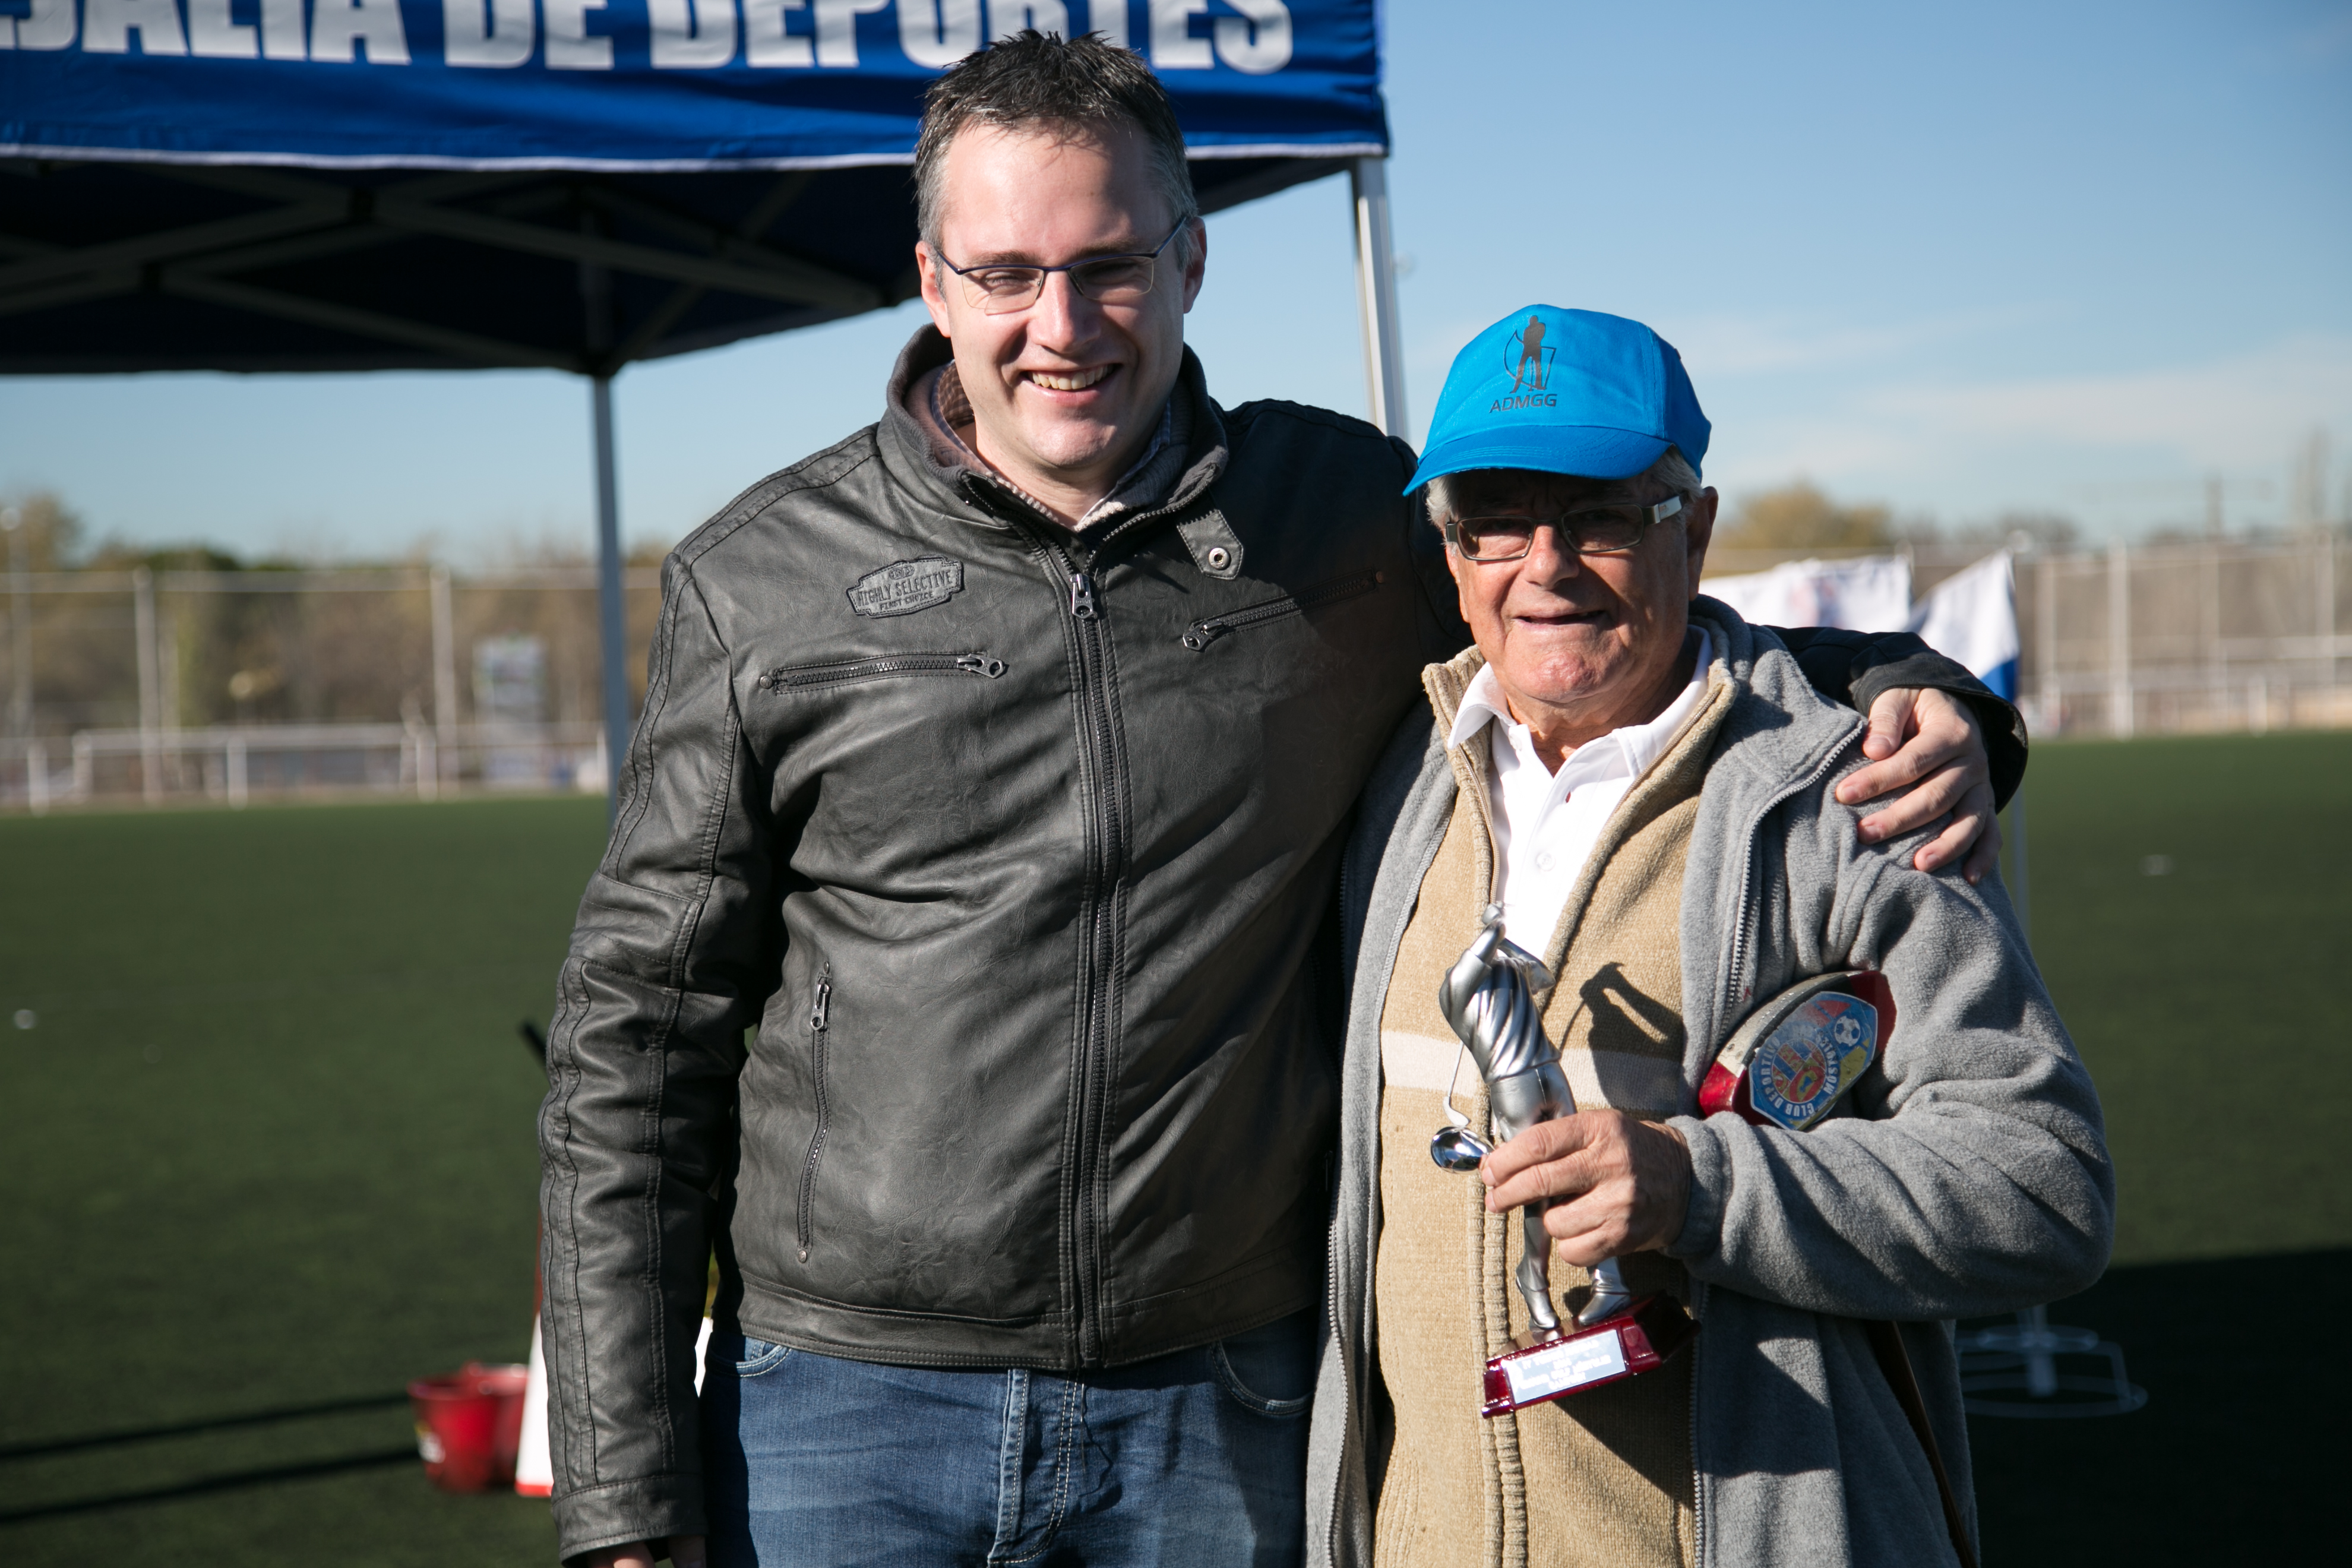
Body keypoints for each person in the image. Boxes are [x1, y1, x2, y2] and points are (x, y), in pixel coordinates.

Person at [539, 34, 2022, 1568]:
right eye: (1006, 275)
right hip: (844, 1409)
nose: (1061, 326)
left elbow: (1595, 603)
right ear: (932, 281)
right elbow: (632, 1047)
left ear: (1190, 260)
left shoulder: (1345, 519)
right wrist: (624, 1500)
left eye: (1110, 267)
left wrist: (1919, 687)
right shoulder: (764, 578)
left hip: (1223, 1405)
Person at [1304, 306, 2111, 1568]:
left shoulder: (1862, 795)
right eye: (1497, 521)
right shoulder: (1399, 773)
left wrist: (1701, 1188)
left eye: (1603, 516)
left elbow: (2040, 1186)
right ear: (1449, 551)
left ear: (1697, 528)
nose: (1546, 567)